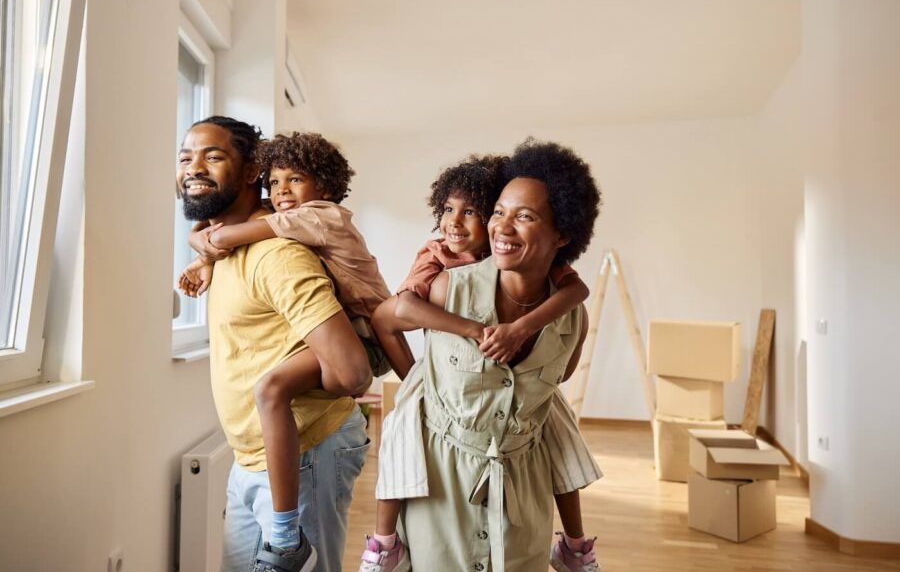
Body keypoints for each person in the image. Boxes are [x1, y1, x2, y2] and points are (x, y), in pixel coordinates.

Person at [361, 149, 603, 572]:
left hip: (524, 498)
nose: (502, 228)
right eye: (497, 212)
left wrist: (524, 328)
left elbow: (555, 381)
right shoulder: (442, 287)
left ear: (562, 233)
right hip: (439, 493)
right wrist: (420, 376)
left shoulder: (571, 315)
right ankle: (384, 546)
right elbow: (389, 316)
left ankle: (573, 546)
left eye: (524, 216)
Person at [176, 117, 373, 572]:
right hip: (255, 458)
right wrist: (202, 249)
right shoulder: (223, 247)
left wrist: (277, 385)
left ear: (251, 172)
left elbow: (352, 374)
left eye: (214, 155)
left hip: (308, 450)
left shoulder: (277, 254)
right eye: (186, 156)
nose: (194, 167)